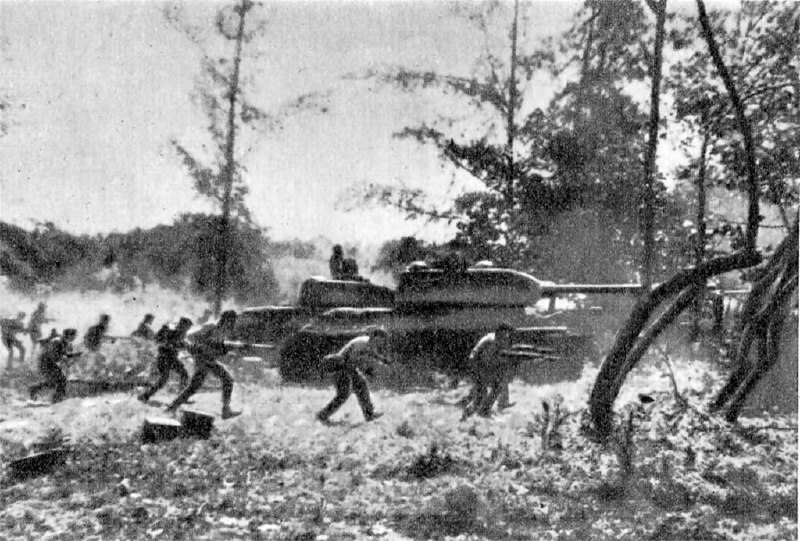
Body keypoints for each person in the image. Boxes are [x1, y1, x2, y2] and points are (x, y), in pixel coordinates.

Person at [166, 310, 240, 419]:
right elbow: (190, 337)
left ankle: (171, 407)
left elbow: (217, 347)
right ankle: (226, 410)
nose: (233, 322)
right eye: (232, 320)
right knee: (227, 380)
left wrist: (229, 347)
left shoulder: (223, 331)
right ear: (227, 319)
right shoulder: (211, 327)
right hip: (203, 361)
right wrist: (198, 349)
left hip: (209, 360)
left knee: (194, 387)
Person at [316, 327, 391, 424]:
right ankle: (322, 415)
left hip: (348, 368)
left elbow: (373, 354)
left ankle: (369, 415)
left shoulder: (370, 344)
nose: (382, 342)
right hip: (340, 368)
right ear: (375, 337)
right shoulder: (361, 344)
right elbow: (350, 360)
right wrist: (365, 370)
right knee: (344, 394)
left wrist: (384, 361)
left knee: (361, 386)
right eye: (382, 339)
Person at [460, 322, 517, 420]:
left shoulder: (504, 342)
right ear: (498, 332)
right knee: (481, 396)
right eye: (503, 334)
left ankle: (484, 411)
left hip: (490, 369)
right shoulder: (488, 340)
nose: (505, 337)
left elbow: (503, 357)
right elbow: (473, 355)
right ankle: (466, 415)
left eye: (506, 335)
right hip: (480, 369)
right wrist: (475, 372)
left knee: (498, 387)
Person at [138, 317, 193, 403]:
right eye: (186, 327)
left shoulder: (181, 334)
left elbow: (182, 345)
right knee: (164, 379)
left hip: (172, 359)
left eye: (187, 329)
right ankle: (145, 396)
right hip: (164, 358)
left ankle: (181, 397)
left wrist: (184, 346)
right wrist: (170, 344)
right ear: (181, 325)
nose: (186, 330)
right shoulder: (169, 331)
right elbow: (159, 341)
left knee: (184, 375)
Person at [29, 328, 79, 403]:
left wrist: (73, 355)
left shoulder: (64, 342)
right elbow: (55, 355)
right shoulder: (58, 341)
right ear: (68, 335)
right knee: (61, 381)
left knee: (55, 382)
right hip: (46, 363)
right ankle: (56, 399)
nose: (74, 337)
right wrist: (67, 358)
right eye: (73, 335)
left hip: (48, 363)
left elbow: (62, 355)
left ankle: (35, 389)